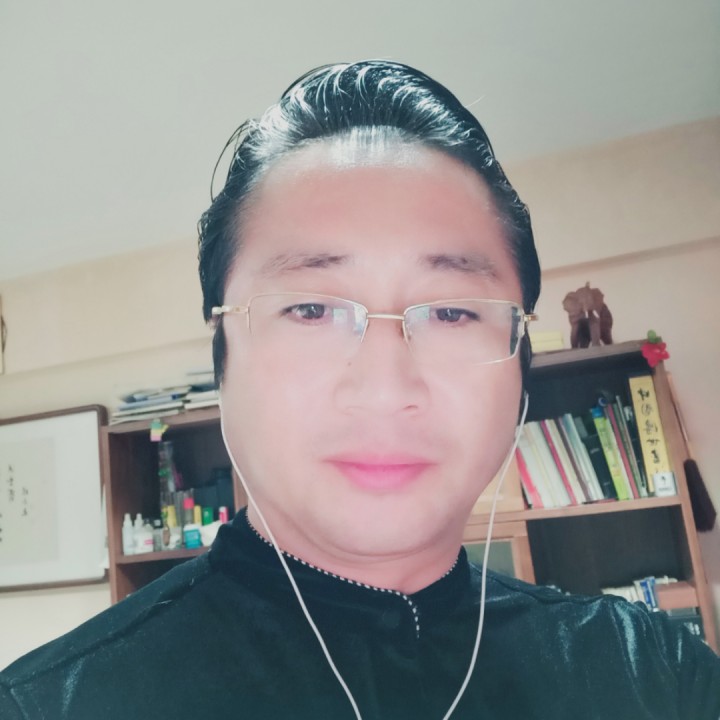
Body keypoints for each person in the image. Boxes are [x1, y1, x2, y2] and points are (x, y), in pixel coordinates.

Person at [1, 60, 718, 720]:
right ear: (222, 358)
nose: (384, 389)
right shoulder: (50, 704)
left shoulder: (659, 677)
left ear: (520, 361)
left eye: (451, 312)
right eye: (311, 308)